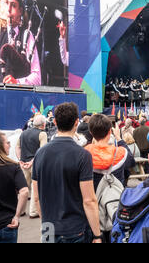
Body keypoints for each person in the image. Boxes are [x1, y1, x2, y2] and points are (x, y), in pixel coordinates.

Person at [32, 102, 102, 243]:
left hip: (48, 228)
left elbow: (36, 197)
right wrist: (97, 235)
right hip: (74, 229)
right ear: (76, 122)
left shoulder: (40, 153)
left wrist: (45, 222)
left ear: (55, 122)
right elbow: (89, 200)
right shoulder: (82, 155)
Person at [85, 114, 129, 191]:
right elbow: (131, 161)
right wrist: (118, 138)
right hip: (116, 198)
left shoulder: (85, 153)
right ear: (110, 131)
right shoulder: (121, 152)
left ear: (90, 132)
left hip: (95, 197)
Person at [15, 114, 47, 219]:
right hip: (35, 164)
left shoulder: (23, 133)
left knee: (23, 188)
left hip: (23, 164)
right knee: (35, 188)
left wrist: (20, 160)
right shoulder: (42, 134)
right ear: (43, 124)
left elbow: (17, 147)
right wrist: (32, 162)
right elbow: (42, 151)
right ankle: (33, 211)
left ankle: (21, 210)